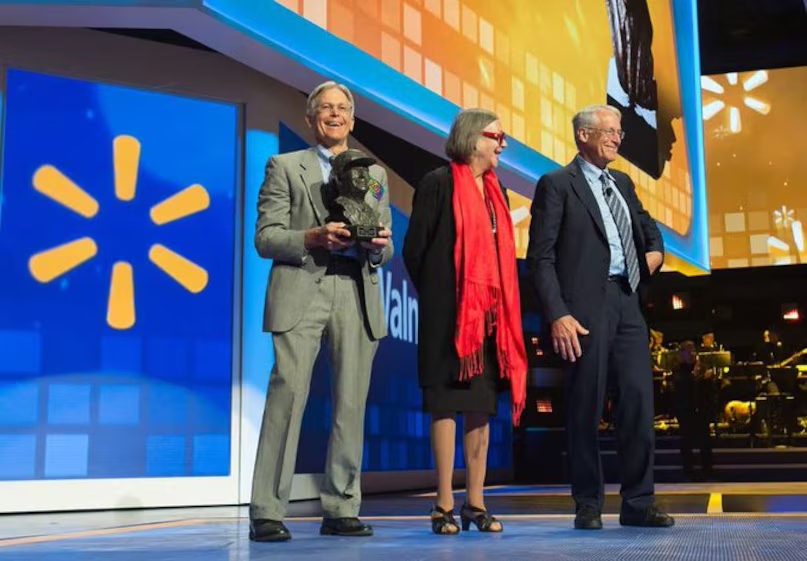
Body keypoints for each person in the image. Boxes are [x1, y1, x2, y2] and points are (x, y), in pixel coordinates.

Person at [249, 81, 392, 542]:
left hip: (356, 290)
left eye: (342, 108)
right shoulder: (284, 166)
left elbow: (385, 247)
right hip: (302, 287)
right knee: (287, 397)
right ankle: (267, 510)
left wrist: (378, 246)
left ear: (352, 119)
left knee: (351, 403)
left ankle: (342, 507)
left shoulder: (374, 174)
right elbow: (266, 237)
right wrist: (311, 237)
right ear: (311, 119)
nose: (335, 114)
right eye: (326, 108)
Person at [526, 104, 673, 529]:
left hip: (628, 301)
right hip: (584, 310)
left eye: (619, 132)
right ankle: (588, 504)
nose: (616, 138)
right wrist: (558, 314)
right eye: (608, 131)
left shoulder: (622, 182)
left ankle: (638, 503)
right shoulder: (557, 184)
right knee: (585, 408)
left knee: (638, 403)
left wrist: (656, 253)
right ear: (583, 135)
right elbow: (540, 258)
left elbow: (647, 228)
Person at [403, 109, 527, 535]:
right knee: (444, 405)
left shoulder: (497, 192)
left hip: (489, 321)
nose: (502, 145)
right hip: (447, 319)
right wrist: (443, 297)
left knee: (479, 408)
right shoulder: (437, 183)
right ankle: (442, 504)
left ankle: (475, 503)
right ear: (474, 139)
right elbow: (414, 250)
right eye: (497, 136)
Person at [672, 341, 714, 481]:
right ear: (682, 353)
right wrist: (694, 376)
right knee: (686, 442)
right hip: (686, 409)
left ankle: (707, 471)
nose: (691, 353)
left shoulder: (703, 367)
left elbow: (709, 389)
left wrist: (707, 378)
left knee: (705, 442)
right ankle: (688, 472)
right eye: (687, 351)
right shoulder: (678, 369)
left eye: (692, 350)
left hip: (701, 408)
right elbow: (680, 386)